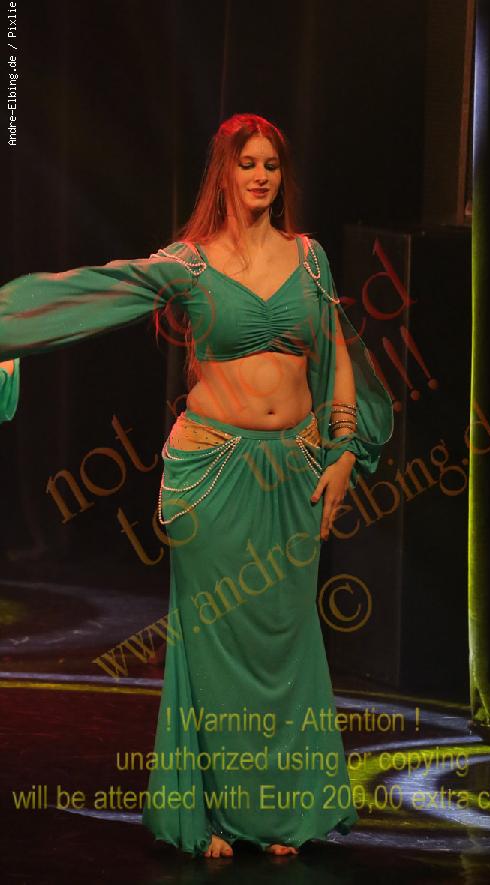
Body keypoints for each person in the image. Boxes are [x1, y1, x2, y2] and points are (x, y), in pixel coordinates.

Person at [0, 113, 393, 858]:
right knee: (213, 643)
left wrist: (344, 450)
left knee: (286, 641)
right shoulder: (190, 263)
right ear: (225, 172)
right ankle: (207, 813)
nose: (260, 176)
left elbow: (338, 356)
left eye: (271, 164)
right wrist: (13, 329)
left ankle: (279, 811)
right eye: (247, 163)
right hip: (211, 475)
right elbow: (105, 291)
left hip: (293, 473)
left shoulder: (309, 259)